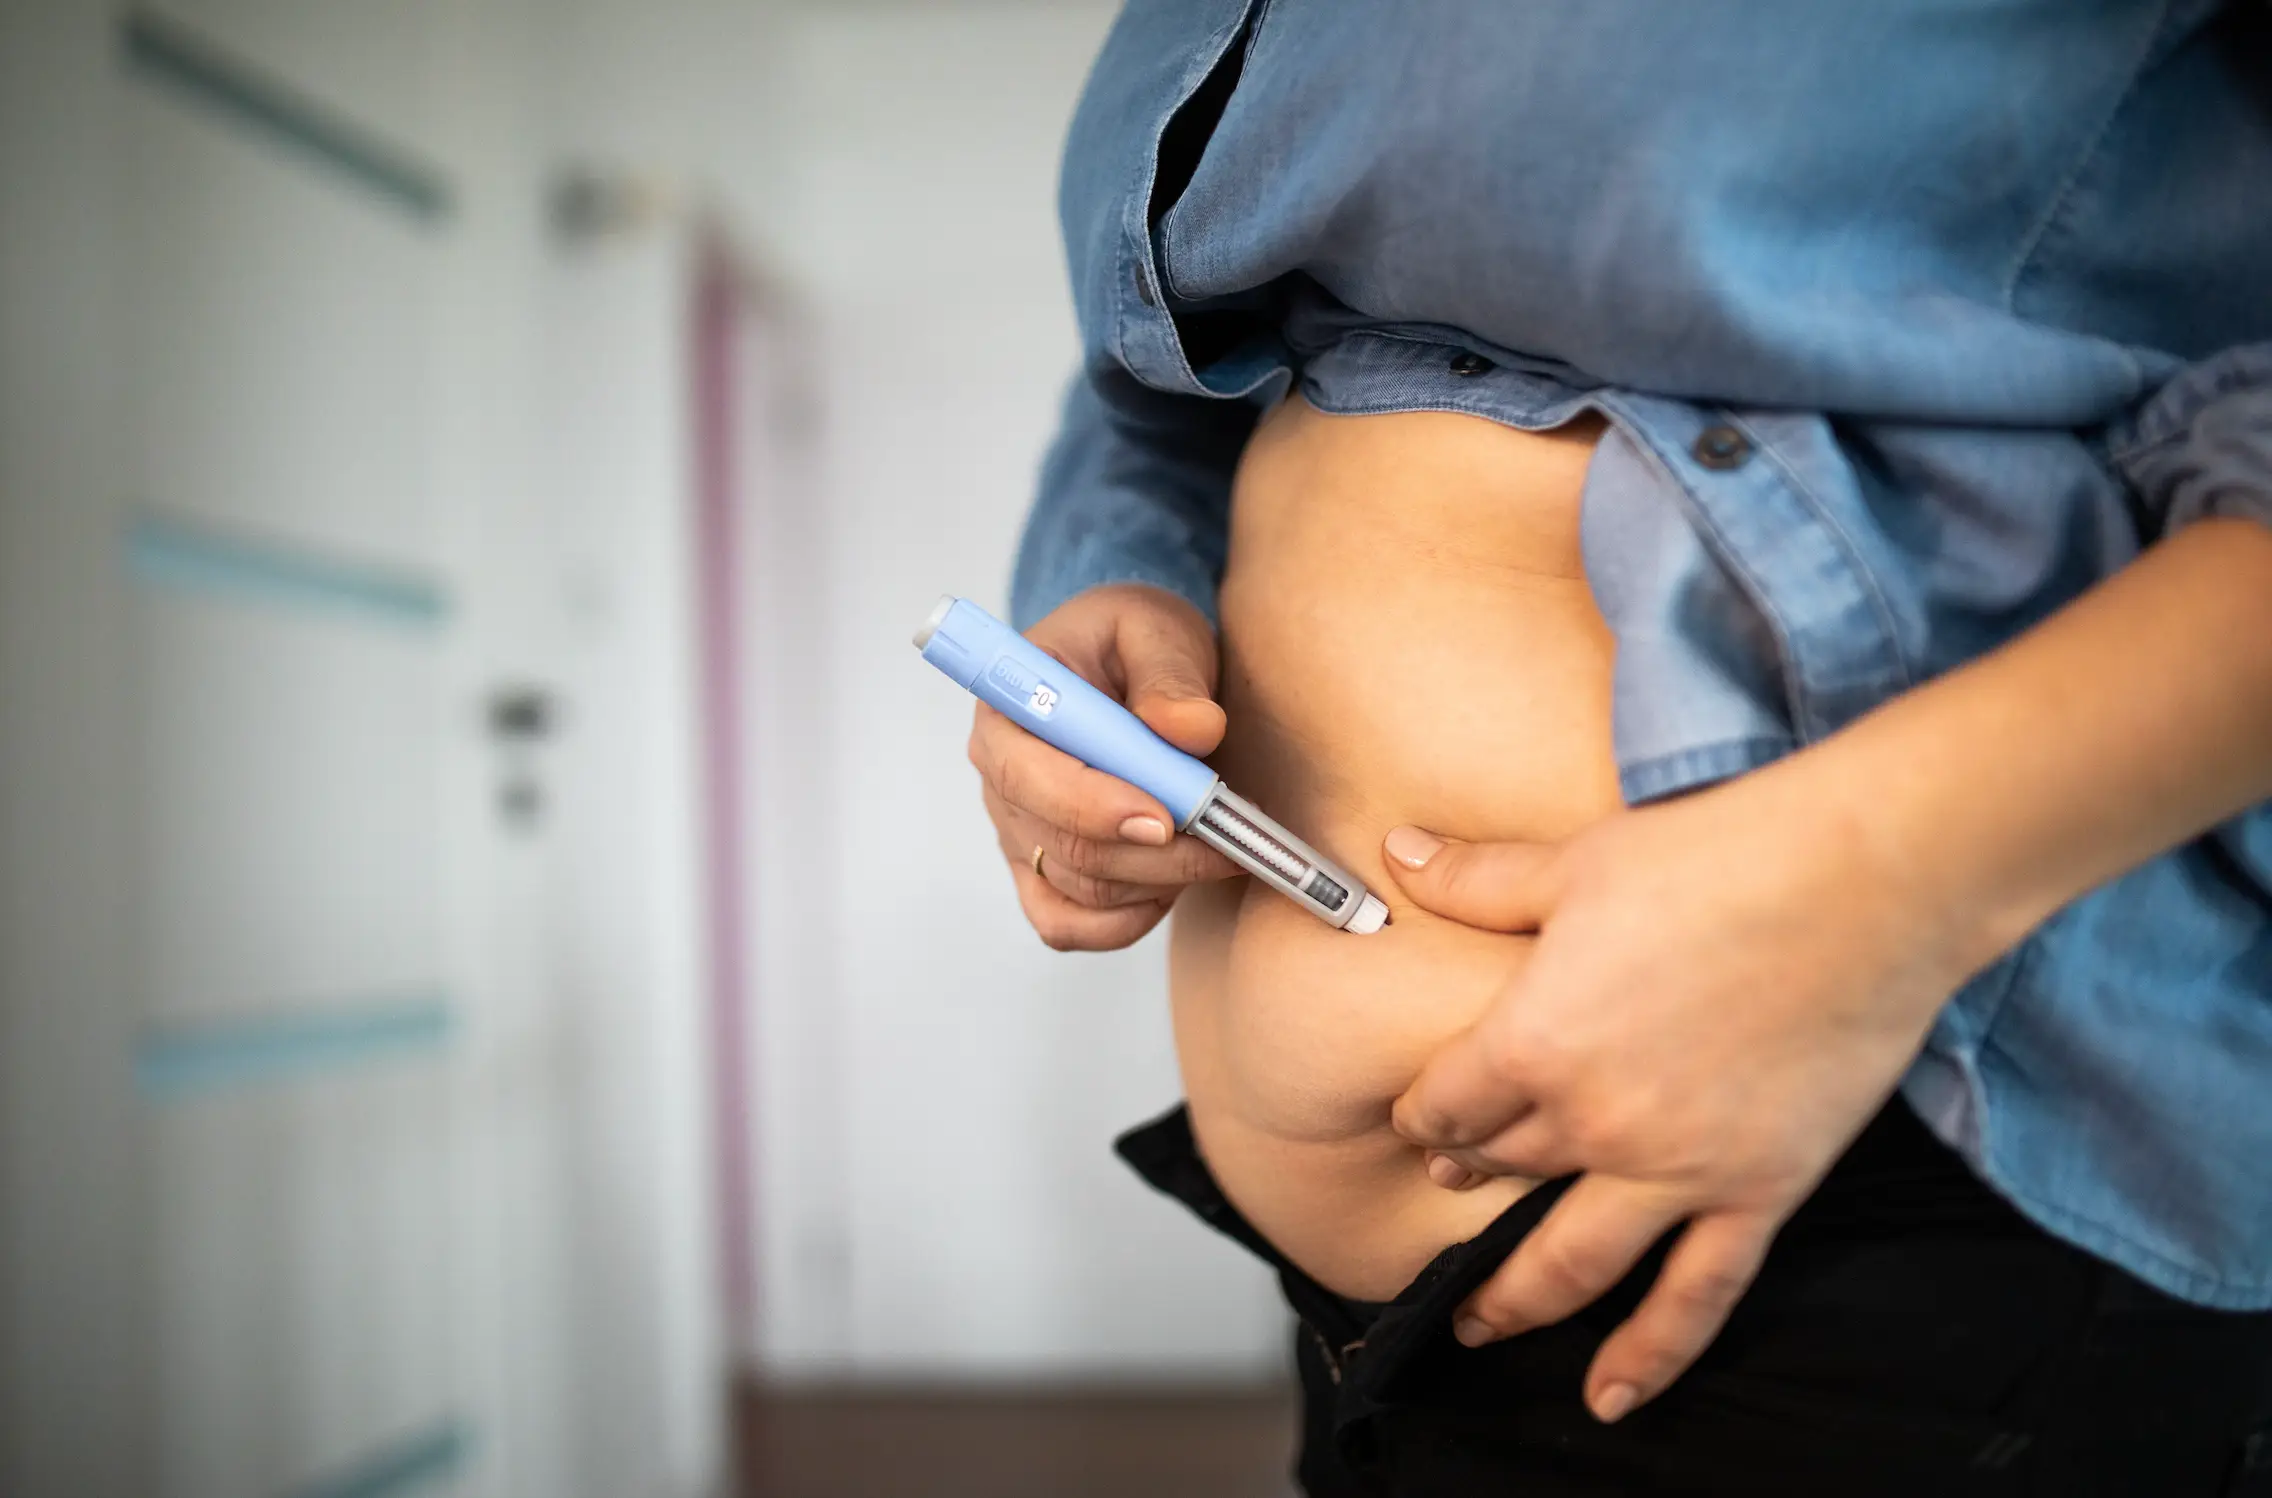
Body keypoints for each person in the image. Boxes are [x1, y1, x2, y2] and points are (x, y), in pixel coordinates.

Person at [967, 4, 2272, 1492]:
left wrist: (1878, 877)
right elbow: (1156, 384)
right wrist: (1114, 578)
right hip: (1380, 1323)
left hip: (1868, 1194)